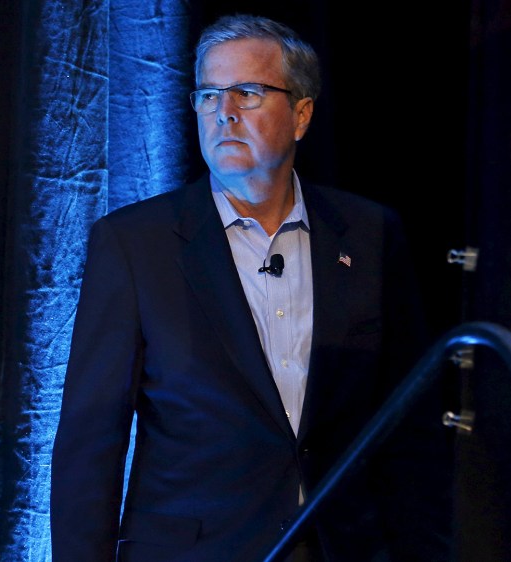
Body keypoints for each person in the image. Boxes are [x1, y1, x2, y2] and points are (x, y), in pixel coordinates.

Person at [50, 13, 454, 562]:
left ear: (302, 114)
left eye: (248, 92)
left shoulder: (370, 234)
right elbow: (89, 445)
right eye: (209, 95)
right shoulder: (135, 244)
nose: (225, 113)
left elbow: (411, 428)